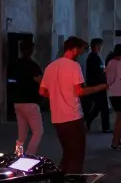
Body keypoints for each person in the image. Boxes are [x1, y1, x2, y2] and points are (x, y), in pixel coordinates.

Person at [41, 37, 108, 174]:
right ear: (74, 49)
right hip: (73, 116)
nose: (81, 54)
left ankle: (60, 179)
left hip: (57, 118)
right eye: (81, 50)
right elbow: (79, 91)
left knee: (67, 152)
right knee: (77, 154)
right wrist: (100, 87)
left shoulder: (50, 67)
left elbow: (42, 91)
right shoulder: (74, 66)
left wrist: (56, 96)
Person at [8, 40, 44, 156]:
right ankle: (29, 155)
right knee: (38, 131)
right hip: (30, 102)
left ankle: (18, 154)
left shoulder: (15, 63)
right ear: (31, 50)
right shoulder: (32, 65)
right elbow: (39, 80)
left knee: (22, 133)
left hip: (18, 101)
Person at [83, 38, 111, 133]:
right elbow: (97, 73)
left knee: (98, 107)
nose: (101, 47)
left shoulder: (94, 57)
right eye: (100, 45)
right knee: (103, 108)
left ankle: (88, 121)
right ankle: (105, 127)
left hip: (96, 85)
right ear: (96, 46)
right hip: (97, 86)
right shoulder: (94, 58)